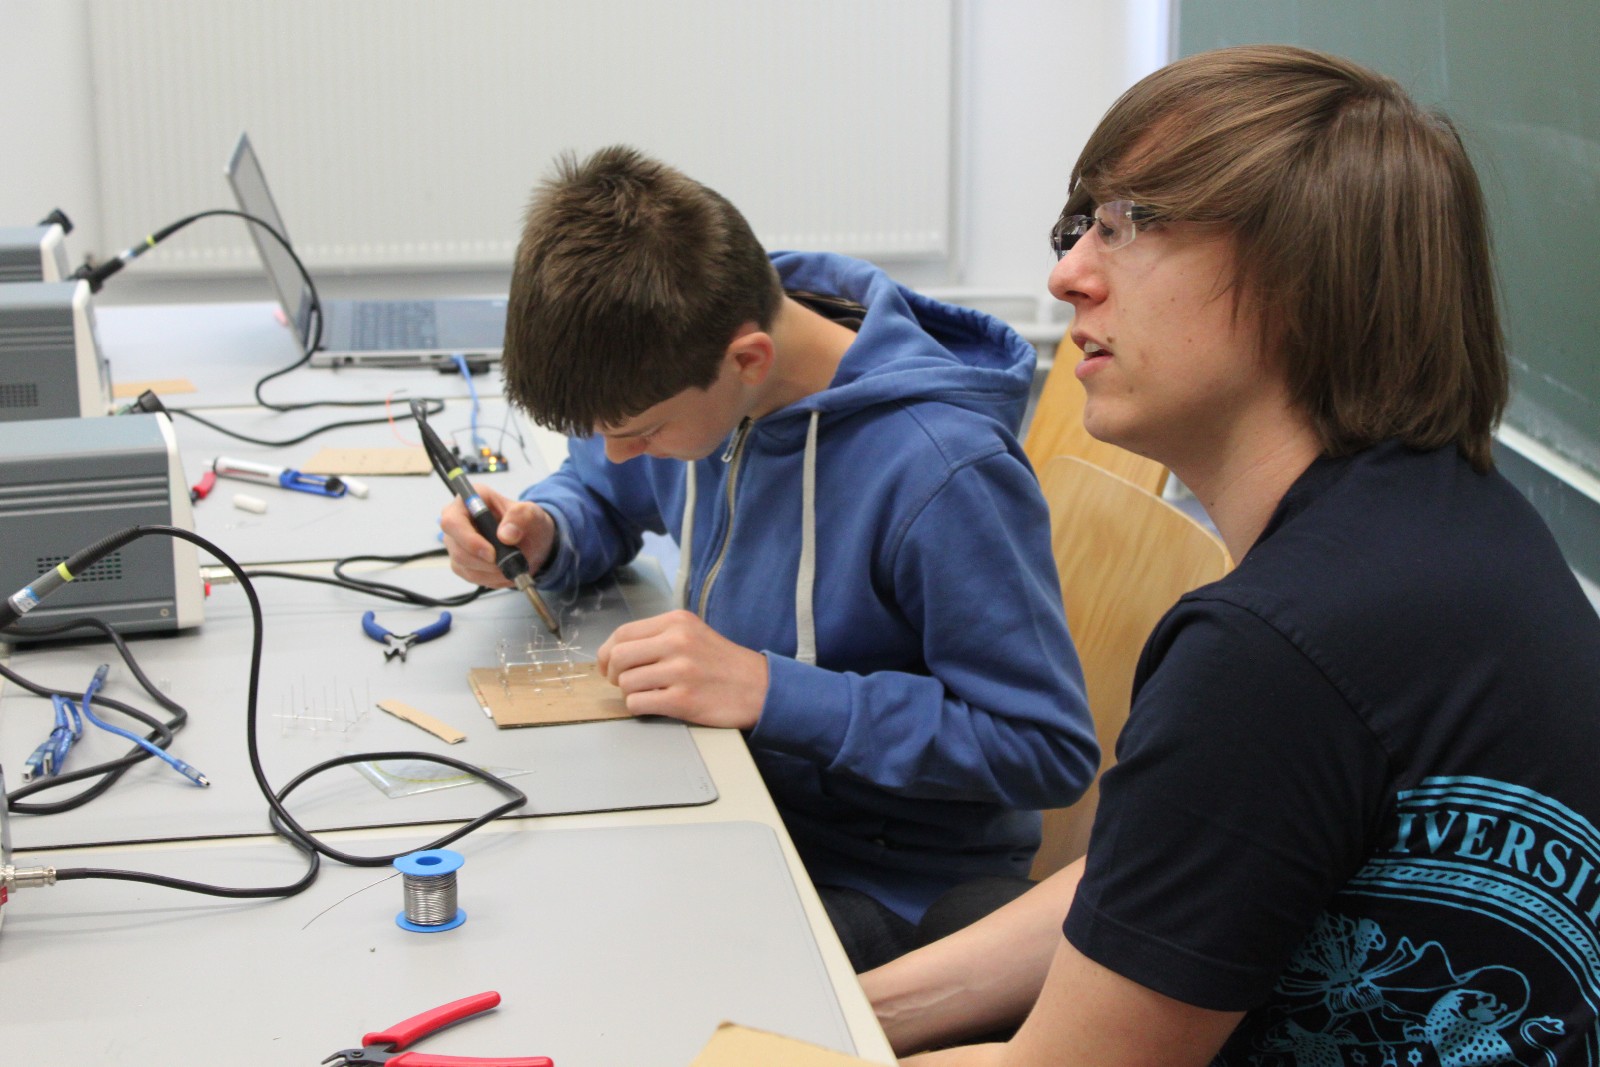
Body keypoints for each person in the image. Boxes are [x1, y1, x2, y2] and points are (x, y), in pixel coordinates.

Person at [861, 44, 1600, 1064]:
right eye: (1083, 227)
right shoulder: (1454, 517)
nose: (1068, 275)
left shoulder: (1273, 651)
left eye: (1127, 226)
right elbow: (1164, 879)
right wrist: (844, 1011)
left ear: (1301, 273)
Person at [439, 145, 1098, 972]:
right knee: (518, 894)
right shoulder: (691, 359)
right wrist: (547, 529)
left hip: (882, 880)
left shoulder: (941, 470)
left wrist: (768, 690)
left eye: (639, 431)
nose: (619, 451)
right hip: (738, 798)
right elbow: (604, 490)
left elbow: (1043, 746)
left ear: (748, 360)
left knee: (595, 966)